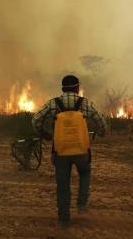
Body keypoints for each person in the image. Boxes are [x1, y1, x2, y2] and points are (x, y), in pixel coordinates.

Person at [32, 75, 106, 226]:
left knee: (63, 184)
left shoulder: (53, 103)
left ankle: (64, 219)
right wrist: (102, 132)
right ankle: (82, 202)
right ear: (77, 88)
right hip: (81, 150)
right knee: (85, 173)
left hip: (60, 150)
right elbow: (100, 120)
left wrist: (44, 134)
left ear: (62, 88)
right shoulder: (85, 103)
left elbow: (35, 120)